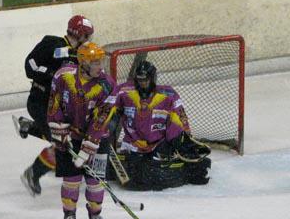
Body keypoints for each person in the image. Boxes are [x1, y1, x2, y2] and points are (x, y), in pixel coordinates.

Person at [87, 60, 211, 191]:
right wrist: (101, 130)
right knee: (133, 179)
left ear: (153, 78)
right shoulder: (123, 91)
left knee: (159, 172)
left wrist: (182, 137)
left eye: (145, 80)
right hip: (133, 144)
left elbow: (180, 117)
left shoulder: (169, 94)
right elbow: (106, 109)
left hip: (159, 143)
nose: (142, 83)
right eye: (139, 80)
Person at [17, 15, 95, 197]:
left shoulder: (80, 55)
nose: (88, 40)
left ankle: (30, 127)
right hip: (40, 103)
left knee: (74, 137)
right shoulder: (52, 43)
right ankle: (33, 173)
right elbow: (30, 65)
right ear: (80, 34)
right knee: (62, 144)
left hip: (61, 108)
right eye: (87, 35)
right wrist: (52, 74)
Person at [46, 41, 115, 219]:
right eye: (95, 62)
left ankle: (96, 216)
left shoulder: (107, 84)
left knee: (96, 181)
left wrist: (89, 146)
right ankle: (69, 216)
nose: (100, 66)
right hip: (70, 136)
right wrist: (59, 131)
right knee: (71, 180)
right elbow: (54, 105)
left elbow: (102, 118)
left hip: (98, 138)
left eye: (101, 61)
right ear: (83, 63)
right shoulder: (63, 77)